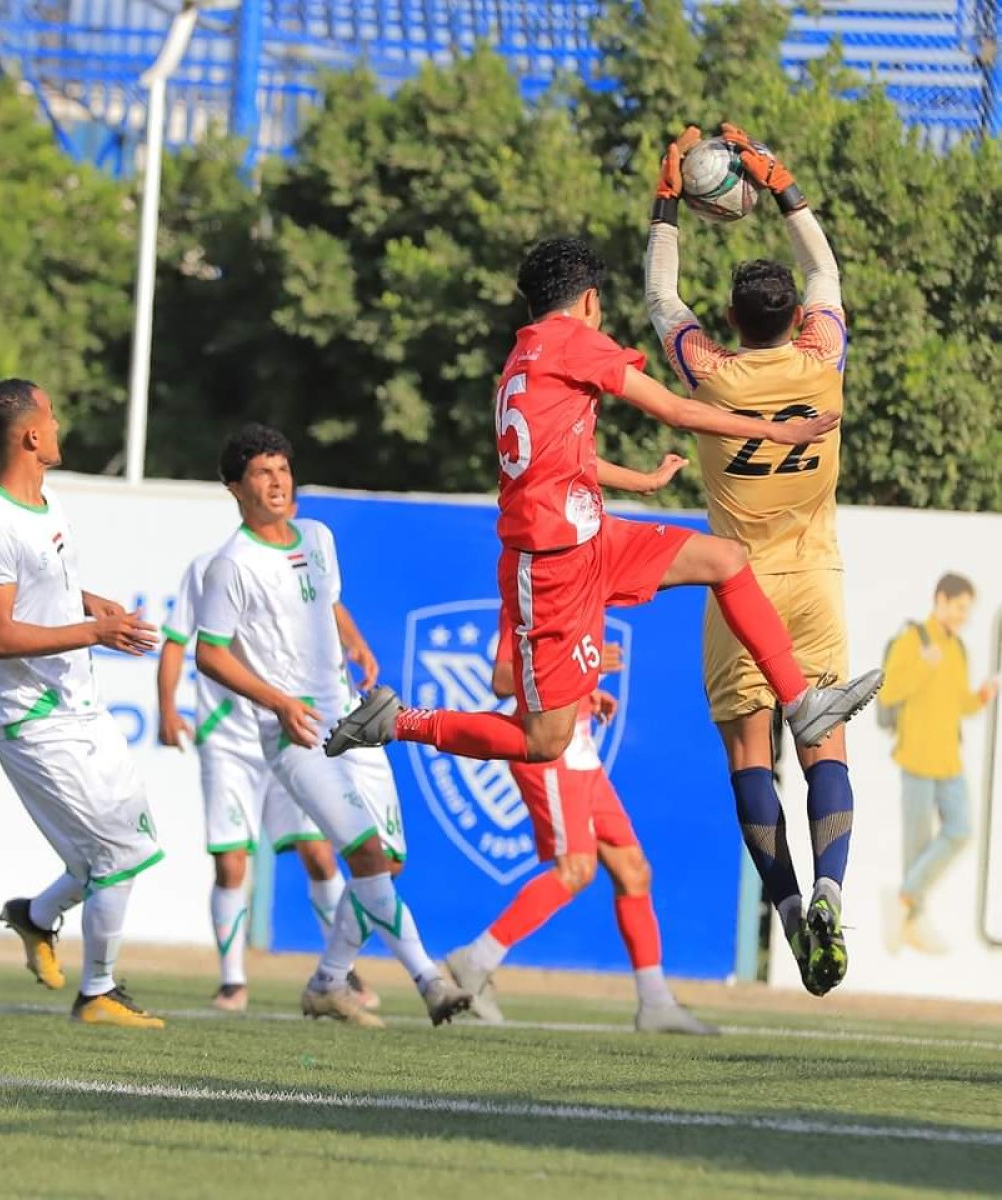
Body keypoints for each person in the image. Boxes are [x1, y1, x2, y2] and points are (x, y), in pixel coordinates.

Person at [326, 229, 882, 795]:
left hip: (591, 539)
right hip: (551, 569)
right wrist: (774, 430)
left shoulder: (523, 355)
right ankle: (396, 721)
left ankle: (800, 701)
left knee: (725, 558)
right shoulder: (573, 341)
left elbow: (563, 455)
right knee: (544, 741)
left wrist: (640, 481)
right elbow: (674, 410)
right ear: (589, 300)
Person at [639, 122, 877, 995]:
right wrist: (781, 185)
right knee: (826, 749)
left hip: (737, 589)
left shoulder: (711, 373)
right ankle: (827, 888)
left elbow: (660, 294)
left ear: (733, 319)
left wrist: (668, 197)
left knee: (750, 759)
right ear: (794, 318)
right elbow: (826, 271)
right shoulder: (823, 360)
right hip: (815, 581)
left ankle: (783, 911)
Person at [194, 423, 470, 1028]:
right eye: (262, 473)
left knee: (390, 862)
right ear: (234, 487)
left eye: (283, 470)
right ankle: (429, 980)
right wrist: (278, 703)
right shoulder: (229, 566)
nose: (277, 482)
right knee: (367, 856)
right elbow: (209, 653)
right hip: (297, 735)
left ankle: (326, 982)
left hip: (356, 719)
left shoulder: (317, 536)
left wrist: (356, 642)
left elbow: (327, 599)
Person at [0, 379, 164, 1028]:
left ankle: (36, 915)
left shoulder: (46, 506)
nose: (57, 423)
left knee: (130, 845)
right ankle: (96, 993)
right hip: (33, 721)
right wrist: (95, 632)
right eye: (50, 415)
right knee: (118, 858)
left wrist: (88, 602)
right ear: (29, 435)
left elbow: (42, 592)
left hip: (81, 706)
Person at [448, 592, 718, 1035]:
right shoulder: (529, 595)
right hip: (549, 750)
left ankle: (654, 1003)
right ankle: (475, 961)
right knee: (576, 869)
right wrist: (586, 672)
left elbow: (562, 669)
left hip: (581, 748)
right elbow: (501, 679)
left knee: (634, 871)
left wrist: (589, 693)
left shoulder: (584, 594)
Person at [158, 542, 385, 1011]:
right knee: (231, 862)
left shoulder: (297, 558)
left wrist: (354, 641)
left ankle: (340, 972)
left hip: (290, 728)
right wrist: (166, 709)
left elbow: (328, 604)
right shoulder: (209, 565)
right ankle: (232, 981)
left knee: (320, 855)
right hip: (230, 738)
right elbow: (179, 642)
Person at [880, 573, 998, 953]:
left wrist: (980, 696)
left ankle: (901, 901)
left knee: (961, 830)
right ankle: (912, 921)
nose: (964, 615)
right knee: (917, 845)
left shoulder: (958, 648)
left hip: (948, 759)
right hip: (916, 757)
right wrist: (923, 665)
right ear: (941, 600)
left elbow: (956, 702)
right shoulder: (914, 640)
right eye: (960, 607)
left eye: (968, 609)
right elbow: (889, 691)